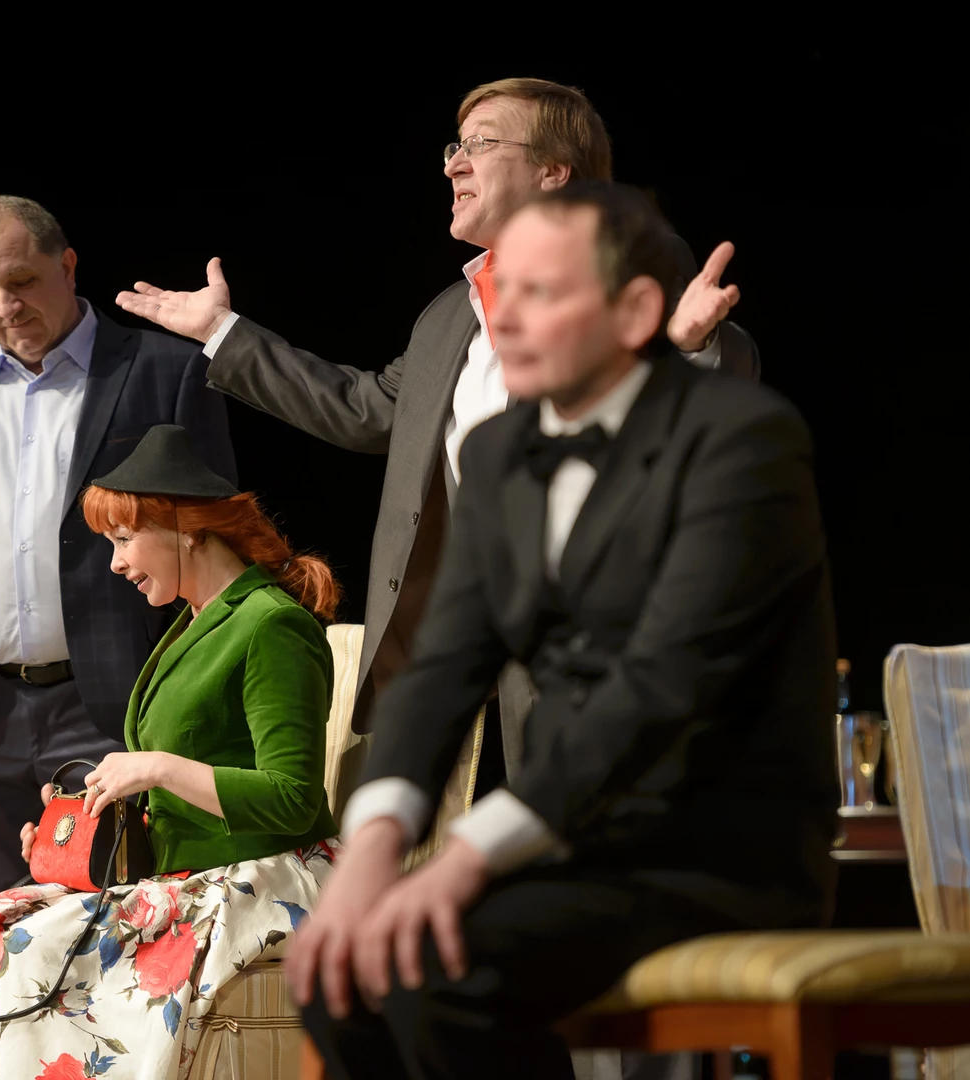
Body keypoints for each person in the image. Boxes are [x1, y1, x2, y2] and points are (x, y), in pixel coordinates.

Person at [281, 181, 838, 1078]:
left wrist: (467, 853)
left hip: (708, 846)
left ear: (635, 313)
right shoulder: (501, 454)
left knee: (434, 970)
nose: (503, 318)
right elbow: (446, 663)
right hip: (563, 845)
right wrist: (372, 846)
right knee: (339, 977)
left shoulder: (736, 439)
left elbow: (662, 683)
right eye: (503, 292)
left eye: (540, 293)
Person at [115, 77, 759, 790]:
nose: (454, 163)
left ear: (553, 172)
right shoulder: (451, 316)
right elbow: (361, 408)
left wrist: (694, 346)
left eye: (481, 144)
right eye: (455, 145)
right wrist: (219, 331)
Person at [0, 423, 339, 1080]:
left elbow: (292, 798)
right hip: (199, 869)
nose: (114, 563)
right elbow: (183, 794)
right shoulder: (196, 621)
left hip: (269, 876)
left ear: (185, 527)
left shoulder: (271, 623)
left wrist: (156, 768)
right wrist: (85, 832)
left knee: (34, 946)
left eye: (123, 539)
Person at [0, 196, 236, 968]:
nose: (5, 307)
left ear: (67, 265)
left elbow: (210, 544)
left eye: (21, 282)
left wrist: (177, 690)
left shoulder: (161, 370)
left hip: (107, 705)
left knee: (105, 947)